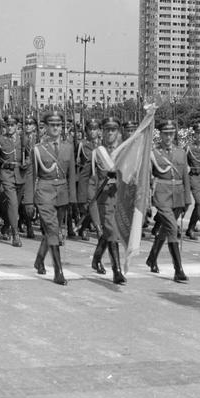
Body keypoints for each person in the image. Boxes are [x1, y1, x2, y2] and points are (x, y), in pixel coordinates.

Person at [31, 110, 76, 286]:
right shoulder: (38, 149)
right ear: (46, 127)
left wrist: (73, 198)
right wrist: (29, 200)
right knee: (52, 229)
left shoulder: (68, 147)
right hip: (45, 191)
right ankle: (58, 271)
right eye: (52, 125)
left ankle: (39, 259)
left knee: (53, 230)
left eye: (58, 125)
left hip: (62, 192)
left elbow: (72, 174)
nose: (56, 128)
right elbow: (32, 175)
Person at [145, 120, 191, 283]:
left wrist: (187, 199)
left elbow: (185, 176)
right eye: (165, 133)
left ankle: (152, 257)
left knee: (165, 229)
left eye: (171, 133)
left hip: (178, 195)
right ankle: (178, 269)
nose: (168, 137)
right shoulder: (154, 153)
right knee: (172, 227)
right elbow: (148, 176)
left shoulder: (181, 153)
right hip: (162, 195)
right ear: (160, 134)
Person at [90, 116, 126, 284]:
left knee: (109, 232)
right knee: (112, 231)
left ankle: (97, 258)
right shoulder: (98, 153)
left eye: (113, 130)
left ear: (118, 132)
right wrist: (88, 201)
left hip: (121, 198)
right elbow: (92, 178)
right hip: (105, 198)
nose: (110, 133)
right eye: (107, 130)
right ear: (102, 132)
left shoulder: (124, 151)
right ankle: (117, 271)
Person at [0, 113, 29, 247]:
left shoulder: (23, 139)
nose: (9, 127)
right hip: (7, 175)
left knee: (15, 206)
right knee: (13, 203)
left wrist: (26, 162)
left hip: (20, 175)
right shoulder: (0, 140)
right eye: (7, 125)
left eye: (12, 125)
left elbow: (29, 155)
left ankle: (6, 226)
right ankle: (15, 234)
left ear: (17, 126)